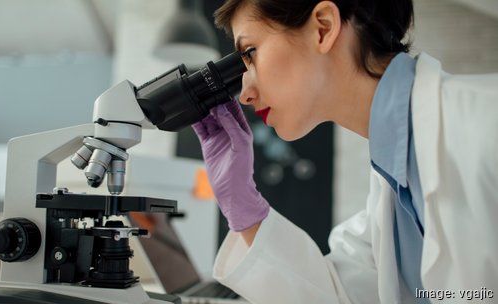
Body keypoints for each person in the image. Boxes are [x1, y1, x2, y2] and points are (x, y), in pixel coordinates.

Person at [191, 0, 498, 303]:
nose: (244, 94)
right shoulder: (393, 180)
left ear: (323, 28)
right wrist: (243, 206)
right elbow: (337, 296)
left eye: (250, 53)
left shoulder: (486, 122)